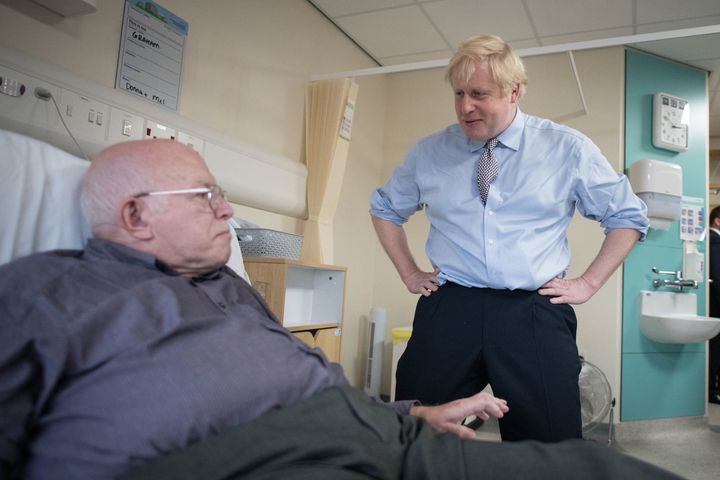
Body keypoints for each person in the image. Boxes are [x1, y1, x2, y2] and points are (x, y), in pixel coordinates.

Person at [0, 139, 676, 480]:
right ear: (135, 215)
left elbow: (297, 383)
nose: (228, 209)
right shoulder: (45, 293)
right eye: (206, 195)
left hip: (384, 435)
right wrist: (411, 270)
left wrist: (409, 412)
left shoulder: (226, 287)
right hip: (251, 460)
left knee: (600, 468)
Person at [370, 34, 649, 443]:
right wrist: (410, 272)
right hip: (451, 306)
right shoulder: (430, 152)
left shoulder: (565, 148)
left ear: (514, 91)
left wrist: (588, 283)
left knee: (550, 442)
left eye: (479, 94)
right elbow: (384, 209)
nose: (466, 106)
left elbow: (627, 216)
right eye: (459, 93)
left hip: (533, 311)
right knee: (415, 428)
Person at [709, 206, 720, 404]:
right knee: (715, 352)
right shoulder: (715, 241)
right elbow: (718, 277)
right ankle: (712, 392)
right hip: (716, 307)